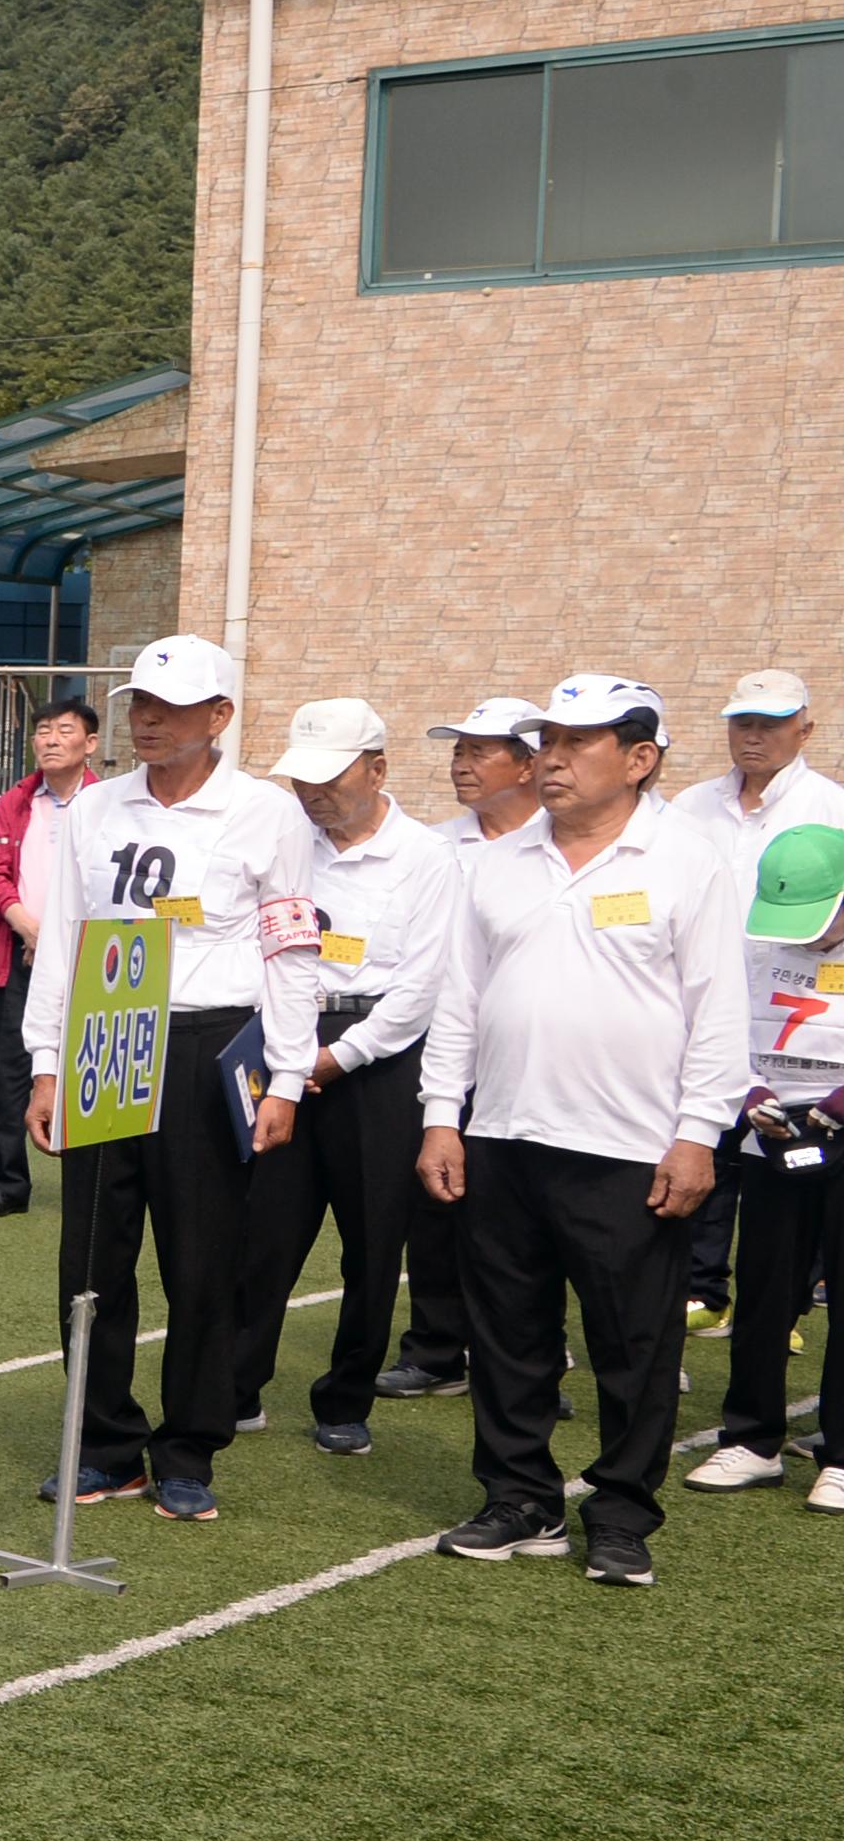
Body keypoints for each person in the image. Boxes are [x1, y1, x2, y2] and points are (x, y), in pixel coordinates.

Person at [419, 673, 744, 1587]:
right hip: (506, 1134)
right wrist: (444, 1118)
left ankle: (623, 1514)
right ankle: (519, 1499)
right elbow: (461, 1002)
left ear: (640, 760)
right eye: (546, 740)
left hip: (630, 1145)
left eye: (577, 742)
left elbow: (719, 1010)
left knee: (634, 1343)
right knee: (509, 1332)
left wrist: (697, 1136)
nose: (552, 759)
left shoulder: (685, 858)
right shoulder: (499, 862)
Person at [18, 635, 326, 1524]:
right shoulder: (97, 806)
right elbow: (66, 939)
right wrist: (47, 1064)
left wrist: (288, 1078)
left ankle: (189, 1447)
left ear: (220, 717)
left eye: (170, 707)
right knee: (91, 1258)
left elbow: (293, 951)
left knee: (201, 1261)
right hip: (107, 1039)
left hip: (207, 1045)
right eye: (138, 706)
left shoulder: (267, 814)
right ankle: (102, 1444)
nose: (146, 721)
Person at [226, 700, 451, 1456]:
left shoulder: (426, 857)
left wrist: (338, 1057)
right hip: (283, 1040)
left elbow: (421, 987)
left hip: (376, 1060)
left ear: (378, 769)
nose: (312, 794)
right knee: (264, 1232)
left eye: (331, 777)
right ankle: (237, 1383)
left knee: (373, 1244)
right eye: (302, 779)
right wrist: (288, 1053)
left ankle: (346, 1398)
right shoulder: (286, 842)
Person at [657, 669, 838, 1336]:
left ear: (805, 729)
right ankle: (697, 1290)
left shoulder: (831, 809)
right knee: (696, 1155)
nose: (753, 735)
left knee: (787, 1170)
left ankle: (784, 1302)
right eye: (742, 722)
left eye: (770, 722)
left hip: (792, 1023)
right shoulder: (689, 808)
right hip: (699, 1011)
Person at [378, 699, 549, 1400]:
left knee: (532, 1216)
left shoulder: (558, 842)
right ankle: (436, 1348)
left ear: (531, 763)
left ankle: (537, 1355)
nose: (462, 764)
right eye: (459, 750)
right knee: (438, 1204)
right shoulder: (436, 845)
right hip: (442, 1050)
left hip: (528, 1053)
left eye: (482, 751)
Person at [692, 819, 844, 1505]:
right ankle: (751, 1441)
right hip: (774, 1142)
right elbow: (727, 1031)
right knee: (761, 1295)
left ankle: (840, 1456)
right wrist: (751, 1094)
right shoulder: (758, 950)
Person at [0, 694, 102, 1218]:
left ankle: (89, 1179)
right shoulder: (17, 800)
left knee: (88, 1066)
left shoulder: (109, 801)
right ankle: (8, 1183)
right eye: (42, 731)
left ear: (90, 743)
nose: (50, 739)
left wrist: (63, 940)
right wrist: (29, 927)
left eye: (64, 730)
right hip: (20, 953)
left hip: (91, 958)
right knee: (9, 1071)